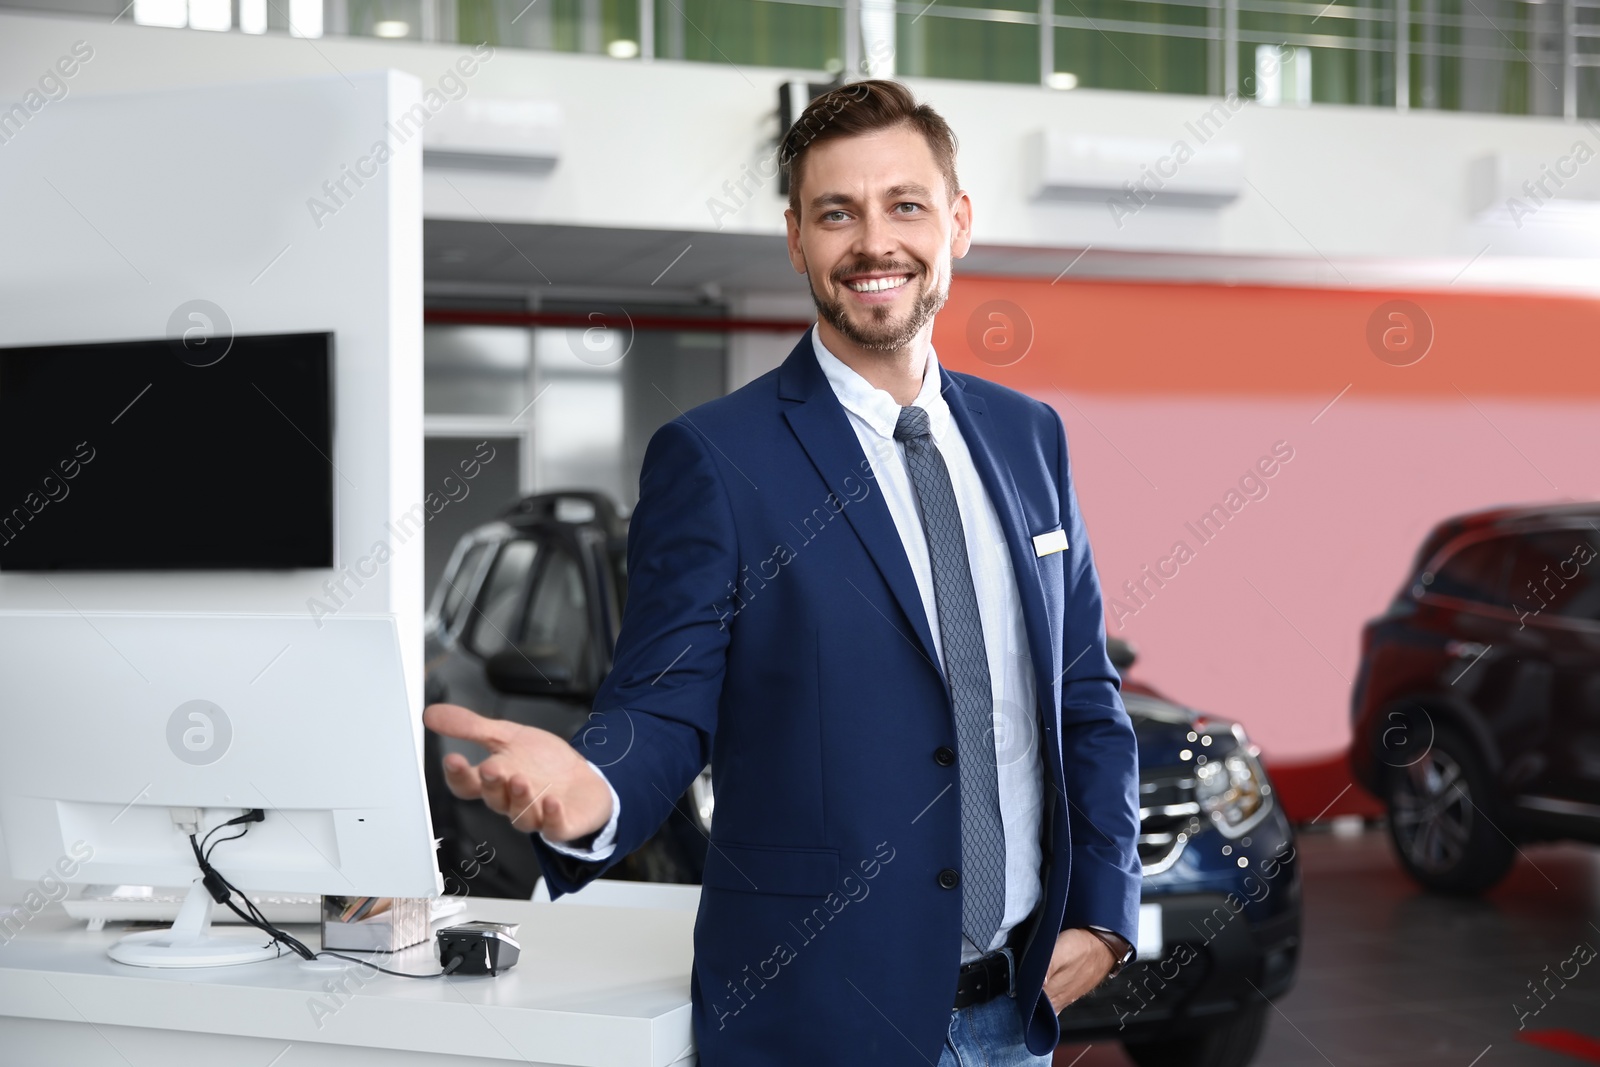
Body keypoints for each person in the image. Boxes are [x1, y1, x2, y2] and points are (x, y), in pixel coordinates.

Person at [424, 78, 1141, 1067]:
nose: (873, 242)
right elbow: (667, 704)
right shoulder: (718, 458)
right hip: (818, 1020)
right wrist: (591, 785)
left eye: (905, 205)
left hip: (1010, 1014)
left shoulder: (1029, 438)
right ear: (795, 238)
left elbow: (1083, 698)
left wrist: (1104, 912)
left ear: (958, 222)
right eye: (836, 212)